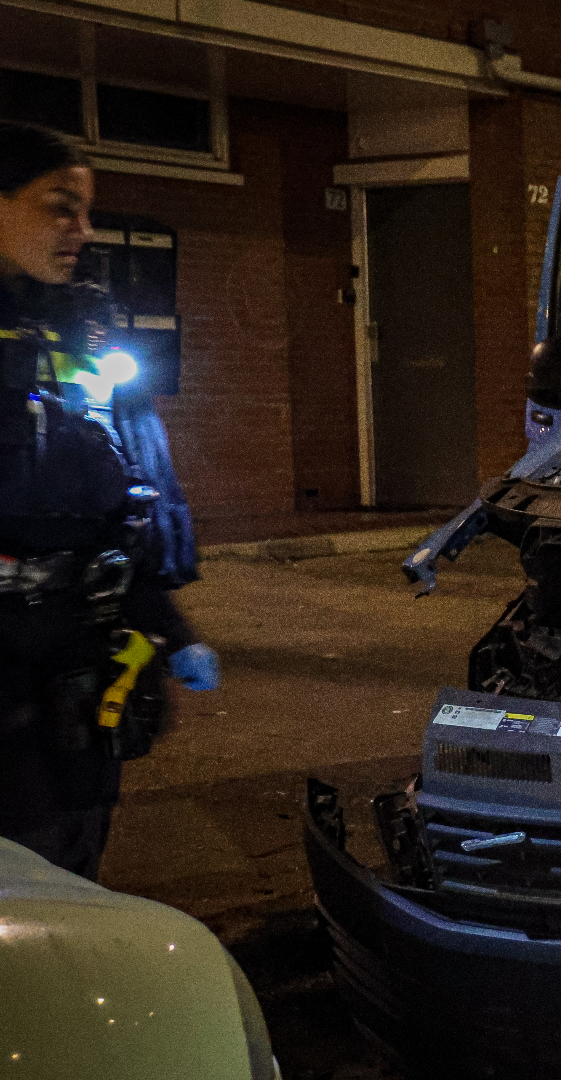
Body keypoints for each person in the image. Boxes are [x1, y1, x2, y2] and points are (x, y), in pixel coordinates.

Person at [0, 120, 217, 881]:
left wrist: (167, 625)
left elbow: (115, 500)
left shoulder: (74, 328)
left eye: (86, 212)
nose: (82, 231)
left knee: (75, 853)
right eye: (60, 207)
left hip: (79, 658)